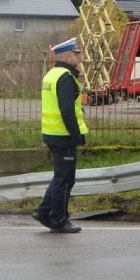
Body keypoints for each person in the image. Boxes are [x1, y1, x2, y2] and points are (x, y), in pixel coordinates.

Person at [32, 37, 88, 233]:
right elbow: (67, 110)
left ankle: (44, 211)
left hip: (52, 133)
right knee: (65, 179)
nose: (78, 57)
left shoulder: (51, 75)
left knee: (60, 176)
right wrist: (75, 135)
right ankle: (59, 220)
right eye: (76, 54)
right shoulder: (65, 77)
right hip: (63, 135)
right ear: (66, 55)